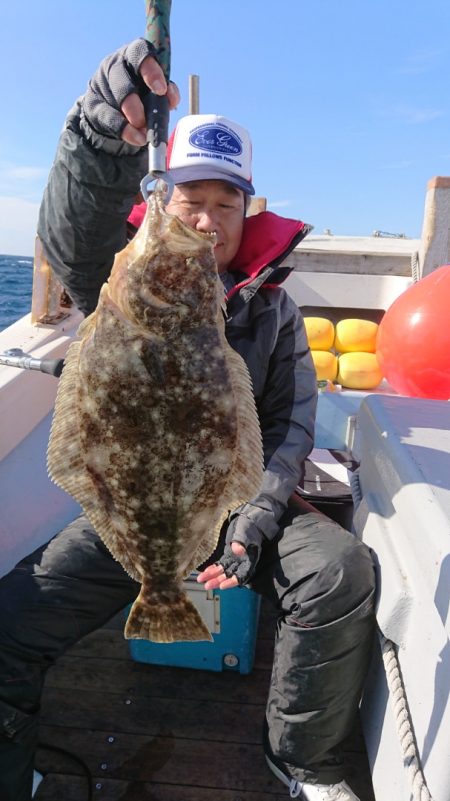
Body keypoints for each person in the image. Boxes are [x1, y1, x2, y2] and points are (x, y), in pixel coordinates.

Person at [0, 39, 376, 801]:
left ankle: (301, 759)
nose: (205, 220)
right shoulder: (119, 282)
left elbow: (291, 428)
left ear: (248, 211)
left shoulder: (276, 312)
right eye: (189, 200)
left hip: (235, 503)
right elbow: (75, 232)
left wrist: (252, 523)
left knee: (340, 572)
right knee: (10, 618)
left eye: (225, 204)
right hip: (135, 503)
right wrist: (99, 135)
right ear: (162, 203)